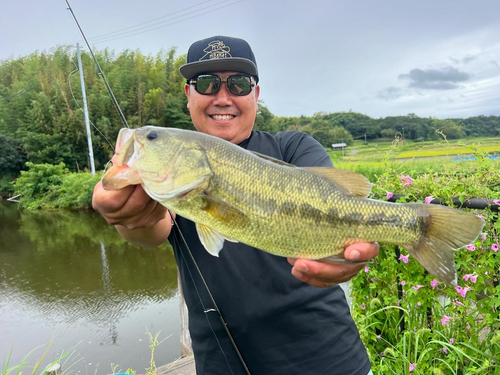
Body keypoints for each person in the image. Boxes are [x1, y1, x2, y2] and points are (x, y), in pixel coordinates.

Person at [92, 35, 379, 375]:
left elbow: (338, 207)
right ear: (189, 95)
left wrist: (347, 250)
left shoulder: (294, 147)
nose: (223, 97)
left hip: (330, 362)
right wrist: (127, 218)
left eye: (239, 84)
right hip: (222, 365)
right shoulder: (175, 180)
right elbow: (153, 229)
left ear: (256, 94)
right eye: (207, 84)